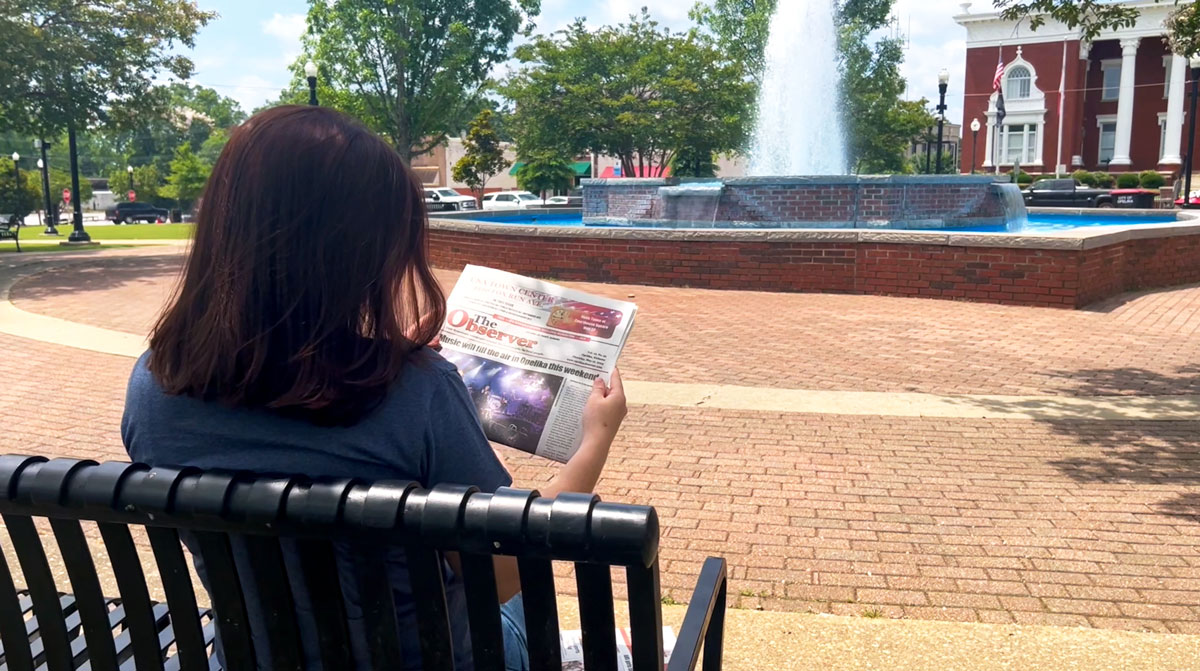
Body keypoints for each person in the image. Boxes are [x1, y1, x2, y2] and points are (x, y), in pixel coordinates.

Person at [121, 105, 627, 671]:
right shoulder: (419, 393)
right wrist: (594, 441)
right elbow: (502, 572)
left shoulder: (153, 384)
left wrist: (389, 364)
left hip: (258, 657)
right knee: (523, 615)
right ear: (359, 255)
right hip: (430, 659)